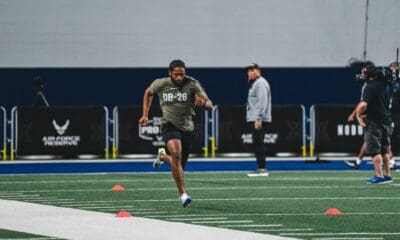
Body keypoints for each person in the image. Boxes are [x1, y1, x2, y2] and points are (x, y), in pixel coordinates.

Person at [139, 59, 213, 207]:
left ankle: (161, 156)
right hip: (169, 124)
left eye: (182, 74)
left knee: (179, 165)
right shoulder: (161, 83)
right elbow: (148, 93)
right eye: (176, 74)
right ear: (170, 73)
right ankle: (183, 195)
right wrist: (145, 114)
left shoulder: (192, 84)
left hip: (187, 127)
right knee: (177, 154)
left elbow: (210, 104)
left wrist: (204, 104)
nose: (179, 77)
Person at [355, 64, 393, 183]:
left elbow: (364, 104)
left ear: (368, 74)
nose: (362, 75)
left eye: (363, 73)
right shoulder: (385, 85)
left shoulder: (369, 87)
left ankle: (379, 176)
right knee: (385, 150)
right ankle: (387, 174)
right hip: (386, 120)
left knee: (374, 150)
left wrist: (358, 115)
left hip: (375, 122)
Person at [245, 63, 271, 177]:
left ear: (257, 71)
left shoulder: (260, 83)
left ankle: (262, 169)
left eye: (251, 70)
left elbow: (262, 102)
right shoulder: (257, 83)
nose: (248, 73)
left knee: (258, 143)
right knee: (257, 143)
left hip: (259, 119)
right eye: (248, 71)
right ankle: (261, 167)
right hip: (257, 118)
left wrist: (258, 119)